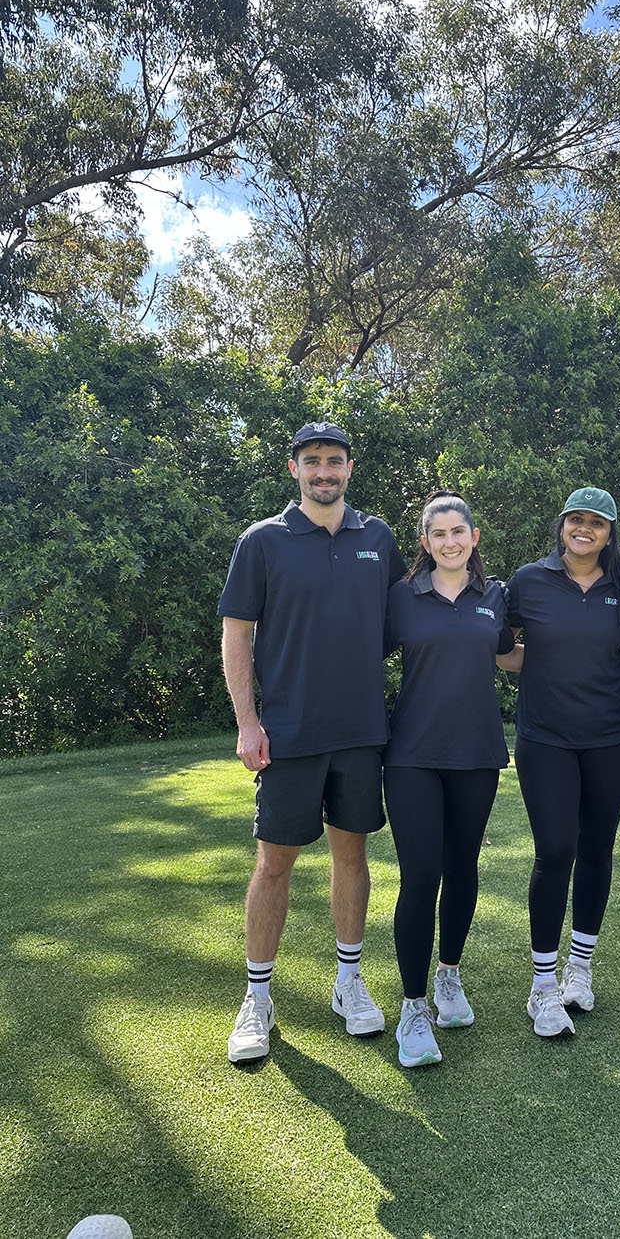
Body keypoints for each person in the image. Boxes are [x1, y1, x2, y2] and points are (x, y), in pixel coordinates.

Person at [219, 422, 405, 1063]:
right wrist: (248, 720)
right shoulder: (262, 541)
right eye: (312, 461)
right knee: (274, 864)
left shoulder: (377, 538)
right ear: (295, 468)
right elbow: (237, 634)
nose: (324, 471)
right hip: (289, 735)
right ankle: (258, 997)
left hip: (360, 734)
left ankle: (348, 982)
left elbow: (412, 617)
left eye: (335, 460)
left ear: (350, 467)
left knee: (352, 858)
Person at [383, 491, 521, 1067]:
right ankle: (412, 1008)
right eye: (438, 534)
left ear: (474, 537)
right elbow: (359, 654)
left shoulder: (496, 597)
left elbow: (516, 656)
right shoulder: (400, 597)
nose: (449, 542)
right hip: (411, 755)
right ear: (424, 542)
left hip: (476, 753)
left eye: (458, 531)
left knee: (463, 867)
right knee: (421, 875)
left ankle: (448, 978)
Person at [506, 487, 620, 1037]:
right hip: (545, 738)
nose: (584, 529)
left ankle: (579, 970)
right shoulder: (529, 581)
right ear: (562, 525)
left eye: (597, 523)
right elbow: (502, 647)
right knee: (555, 849)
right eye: (576, 520)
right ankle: (542, 987)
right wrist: (541, 664)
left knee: (596, 847)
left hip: (614, 736)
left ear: (610, 533)